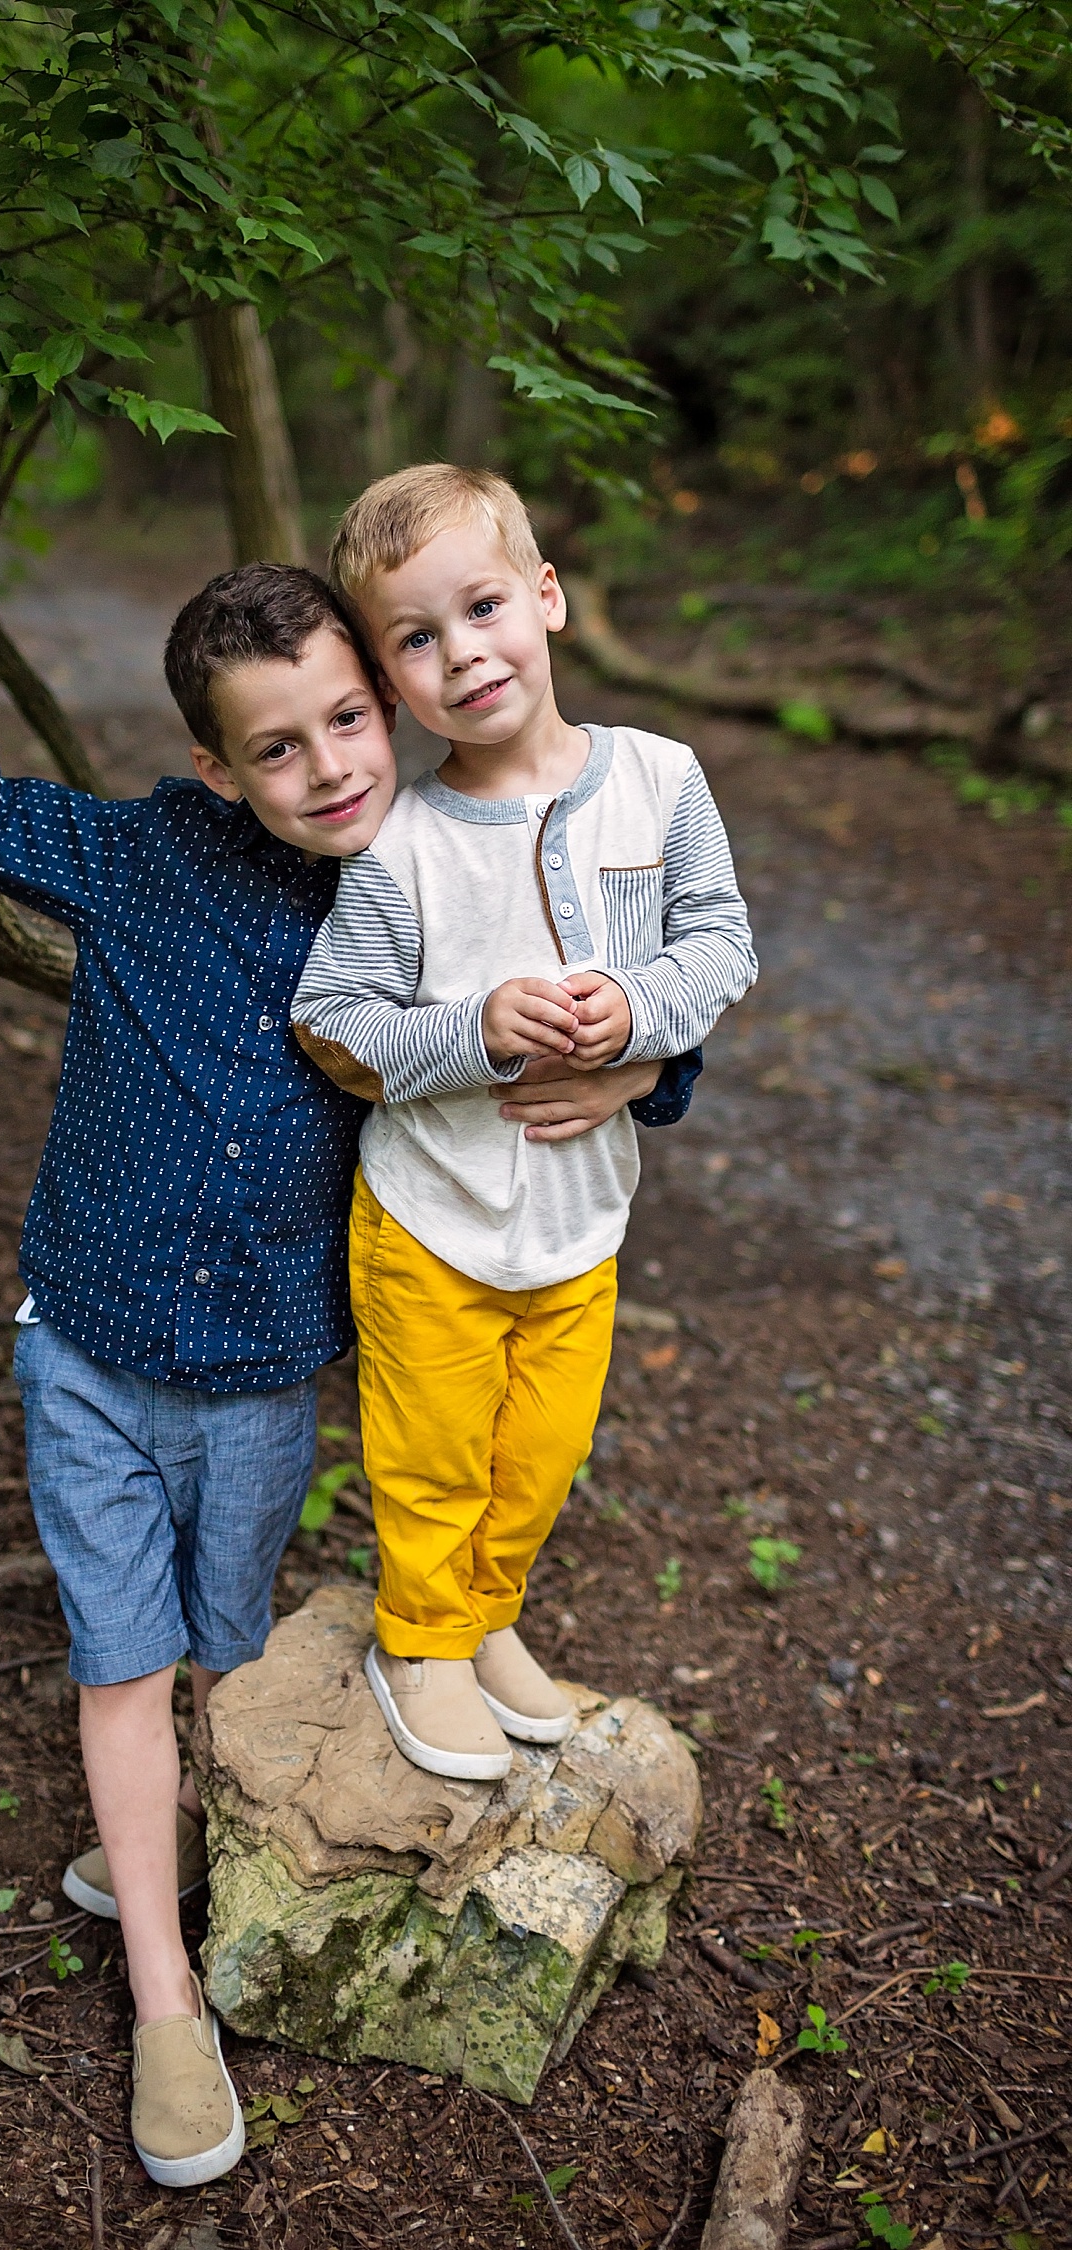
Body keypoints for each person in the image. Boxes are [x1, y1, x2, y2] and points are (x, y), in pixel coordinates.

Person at [0, 561, 677, 2186]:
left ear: (392, 704)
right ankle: (164, 1992)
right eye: (279, 746)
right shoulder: (142, 858)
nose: (330, 765)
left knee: (221, 1641)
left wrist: (642, 1060)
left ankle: (176, 1838)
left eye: (350, 718)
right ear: (218, 766)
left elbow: (598, 1004)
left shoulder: (424, 879)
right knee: (122, 1654)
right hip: (88, 1344)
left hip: (269, 1370)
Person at [291, 464, 757, 1782]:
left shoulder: (661, 782)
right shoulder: (402, 843)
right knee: (432, 1453)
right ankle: (419, 1643)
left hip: (579, 1217)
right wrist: (475, 1029)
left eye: (483, 605)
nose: (463, 653)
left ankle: (485, 1615)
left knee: (540, 1452)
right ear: (390, 680)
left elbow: (723, 944)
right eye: (417, 639)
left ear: (546, 597)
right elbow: (336, 1018)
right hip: (431, 1215)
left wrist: (638, 1009)